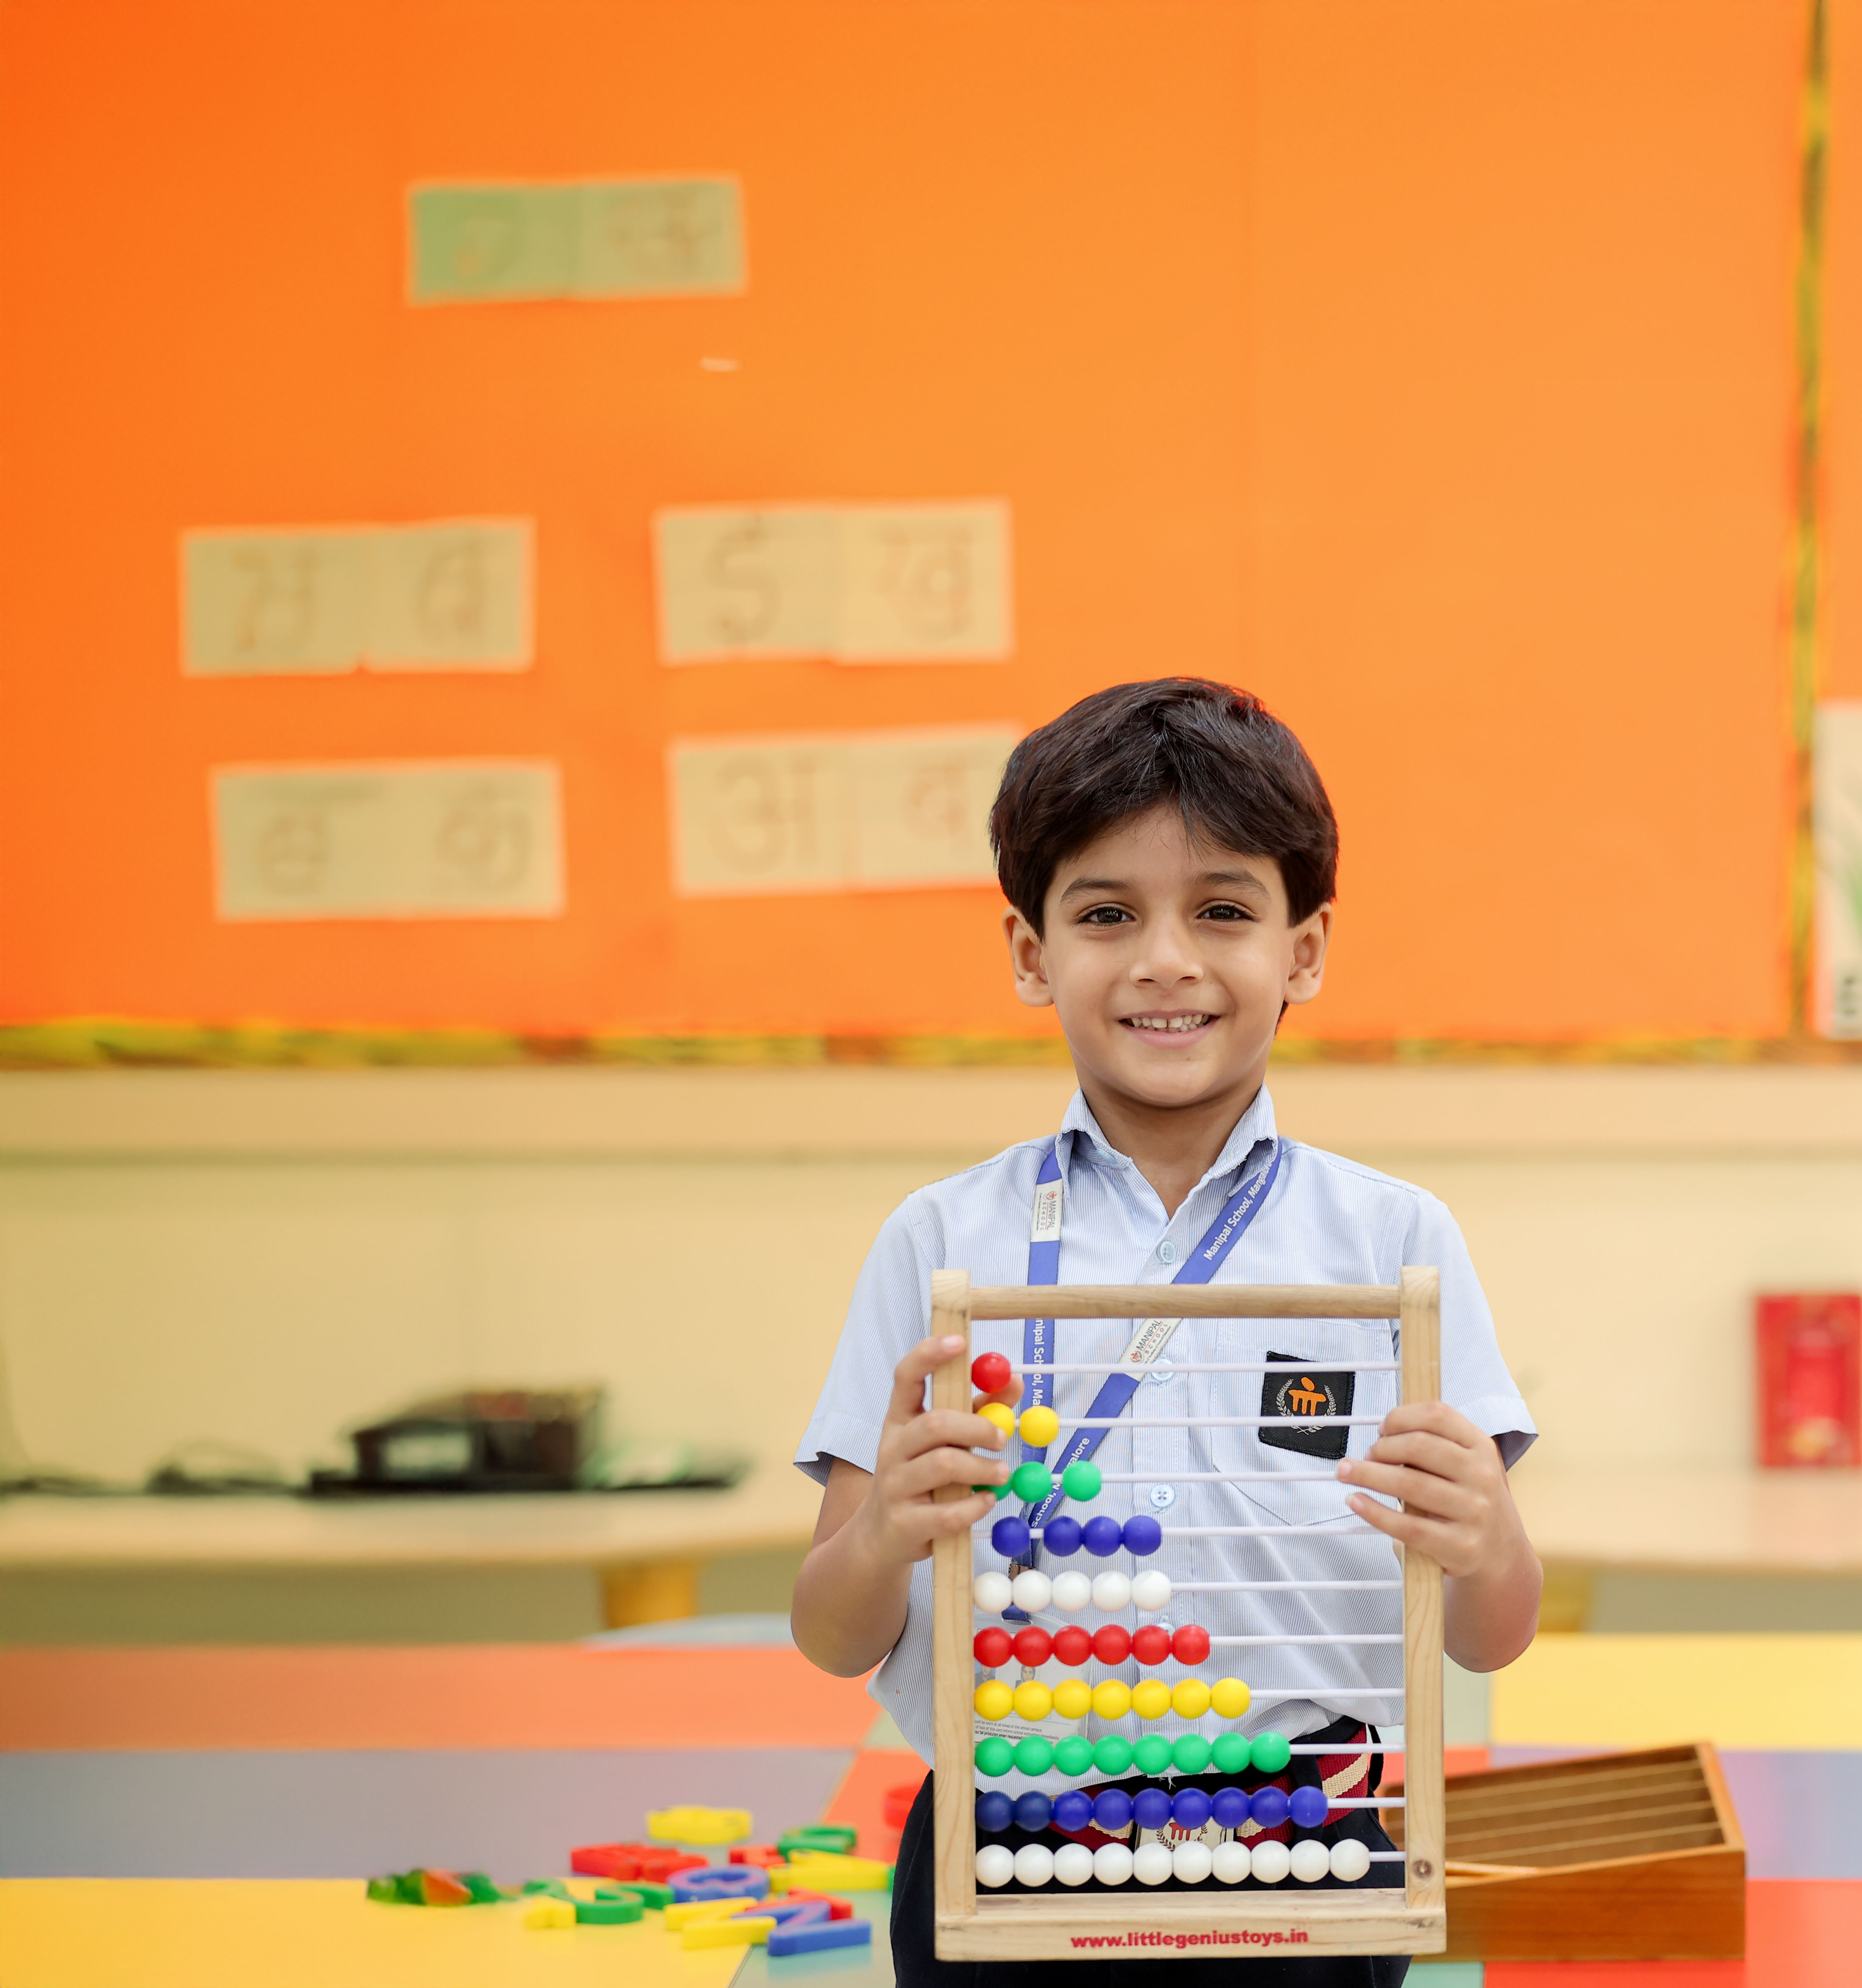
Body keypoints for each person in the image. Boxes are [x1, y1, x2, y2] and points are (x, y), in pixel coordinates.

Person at [791, 679, 1541, 1984]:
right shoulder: (941, 1239)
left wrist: (1487, 1537)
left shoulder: (1391, 1240)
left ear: (1304, 950)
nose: (1166, 961)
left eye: (1224, 912)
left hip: (1307, 1855)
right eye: (1104, 915)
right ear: (1031, 952)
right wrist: (880, 1535)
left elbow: (1490, 1634)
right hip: (1005, 1852)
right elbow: (831, 1632)